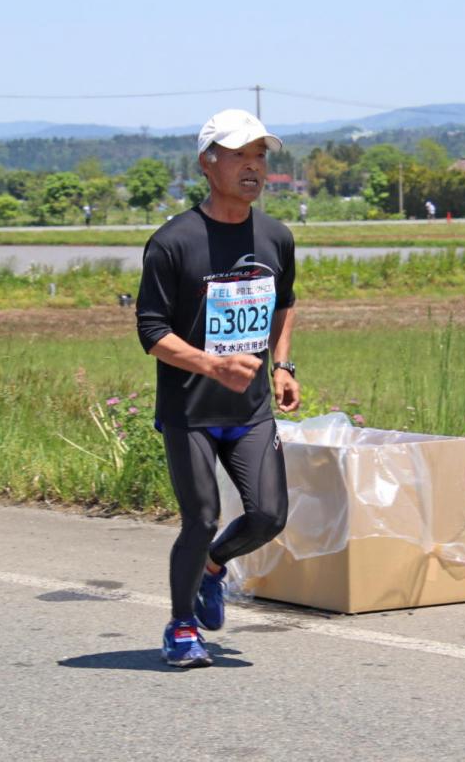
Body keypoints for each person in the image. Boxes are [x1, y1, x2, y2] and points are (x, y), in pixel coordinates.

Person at [136, 108, 300, 668]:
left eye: (260, 156)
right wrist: (212, 365)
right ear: (208, 163)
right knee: (200, 517)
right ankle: (181, 628)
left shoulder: (275, 236)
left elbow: (285, 305)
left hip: (250, 409)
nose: (252, 167)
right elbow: (151, 332)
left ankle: (213, 567)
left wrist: (282, 367)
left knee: (269, 516)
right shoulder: (173, 243)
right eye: (238, 156)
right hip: (190, 410)